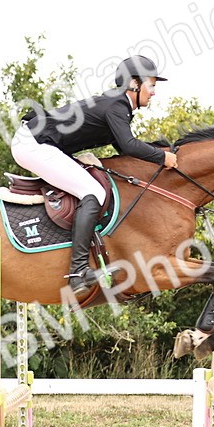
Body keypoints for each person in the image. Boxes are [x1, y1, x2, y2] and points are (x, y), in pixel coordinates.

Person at [11, 55, 179, 296]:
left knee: (91, 188)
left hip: (39, 142)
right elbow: (129, 145)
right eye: (151, 85)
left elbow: (124, 150)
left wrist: (159, 152)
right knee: (93, 191)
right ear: (134, 83)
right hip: (33, 144)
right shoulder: (117, 106)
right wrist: (162, 157)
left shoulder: (117, 106)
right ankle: (78, 271)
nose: (153, 92)